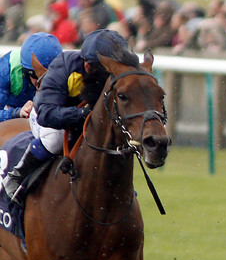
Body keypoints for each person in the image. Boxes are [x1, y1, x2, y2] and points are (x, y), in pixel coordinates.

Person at [3, 29, 138, 203]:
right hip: (49, 113)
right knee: (54, 139)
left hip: (87, 117)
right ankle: (16, 177)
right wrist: (82, 114)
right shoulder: (63, 67)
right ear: (88, 65)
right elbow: (47, 114)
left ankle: (123, 189)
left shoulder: (122, 73)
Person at [0, 32, 62, 123]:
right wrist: (17, 113)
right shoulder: (5, 70)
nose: (41, 82)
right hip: (12, 111)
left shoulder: (66, 69)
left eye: (49, 76)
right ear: (24, 69)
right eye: (34, 74)